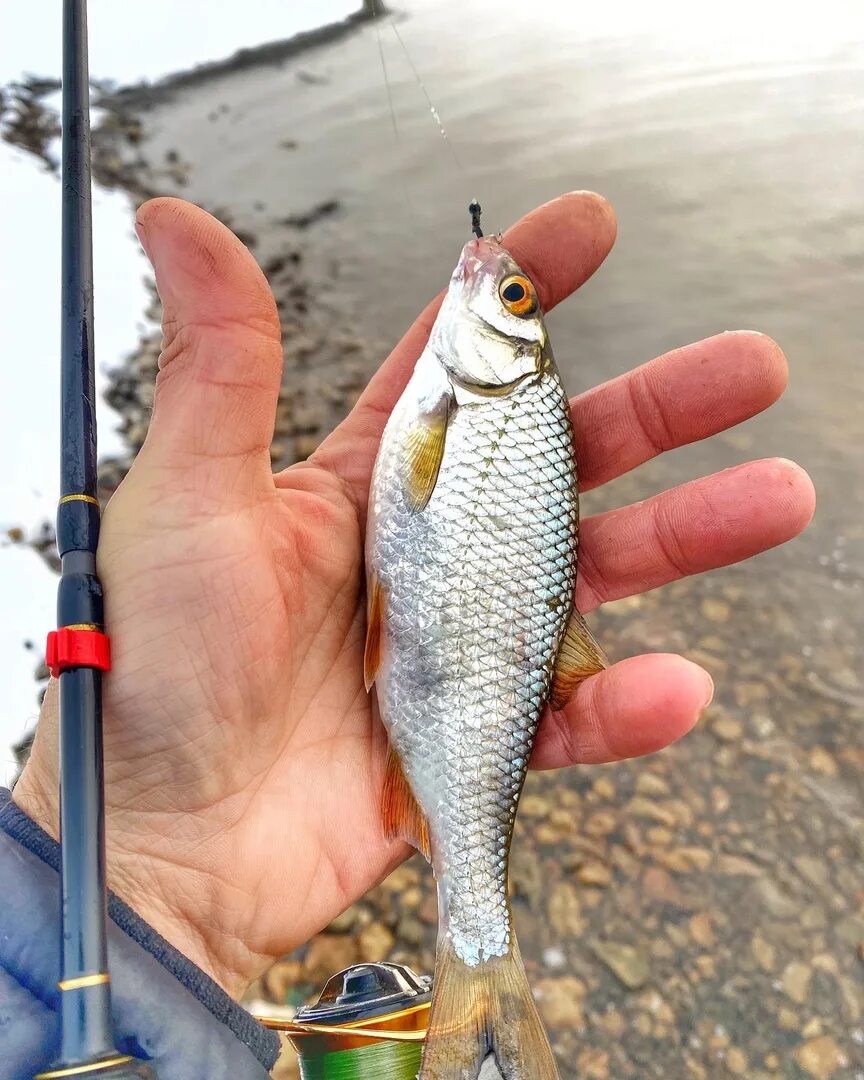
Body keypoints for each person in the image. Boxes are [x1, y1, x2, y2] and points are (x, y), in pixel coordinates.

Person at [0, 193, 815, 1078]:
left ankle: (481, 949)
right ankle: (479, 960)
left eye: (512, 301)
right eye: (517, 299)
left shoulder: (477, 400)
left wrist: (123, 875)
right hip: (444, 669)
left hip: (448, 673)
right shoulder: (479, 399)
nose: (493, 279)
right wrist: (145, 873)